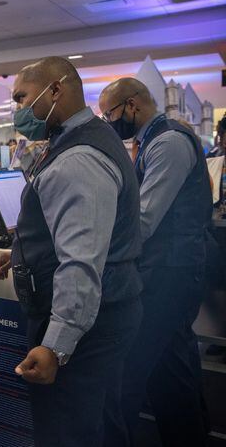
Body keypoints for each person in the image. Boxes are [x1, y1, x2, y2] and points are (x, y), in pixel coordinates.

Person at [0, 57, 142, 446]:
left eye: (21, 97)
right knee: (101, 422)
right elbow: (71, 230)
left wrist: (56, 346)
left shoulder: (78, 158)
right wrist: (24, 251)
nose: (17, 109)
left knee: (66, 430)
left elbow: (81, 260)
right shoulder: (83, 138)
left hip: (88, 328)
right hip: (109, 313)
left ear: (55, 90)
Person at [99, 77, 211, 445]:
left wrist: (98, 247)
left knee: (130, 369)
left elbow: (144, 219)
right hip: (170, 267)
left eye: (110, 114)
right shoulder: (153, 140)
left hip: (169, 271)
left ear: (131, 105)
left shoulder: (168, 143)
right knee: (171, 370)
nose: (110, 122)